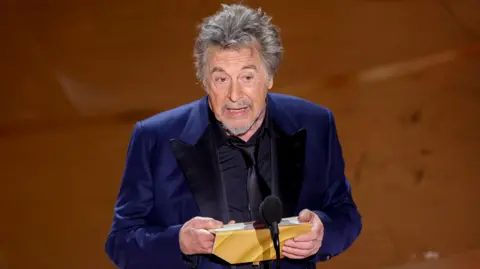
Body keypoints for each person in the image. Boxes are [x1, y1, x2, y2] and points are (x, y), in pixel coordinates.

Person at [105, 4, 362, 269]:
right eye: (221, 80)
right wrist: (179, 242)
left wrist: (323, 232)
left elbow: (344, 213)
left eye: (247, 77)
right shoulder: (153, 138)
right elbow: (121, 242)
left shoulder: (316, 123)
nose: (235, 95)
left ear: (269, 77)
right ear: (205, 81)